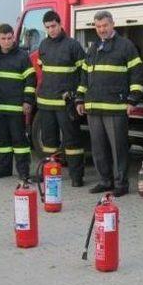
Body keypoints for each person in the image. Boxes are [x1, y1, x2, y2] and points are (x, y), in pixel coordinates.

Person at [76, 10, 143, 197]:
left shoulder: (125, 46)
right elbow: (84, 75)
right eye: (98, 27)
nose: (102, 30)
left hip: (116, 108)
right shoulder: (93, 47)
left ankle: (121, 184)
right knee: (99, 149)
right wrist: (80, 98)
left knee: (118, 149)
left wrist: (133, 99)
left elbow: (137, 74)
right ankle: (105, 181)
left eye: (105, 25)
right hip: (94, 107)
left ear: (113, 24)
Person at [37, 10, 86, 187]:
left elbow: (84, 73)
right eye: (48, 27)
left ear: (60, 24)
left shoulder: (73, 46)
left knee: (72, 140)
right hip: (46, 103)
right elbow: (44, 72)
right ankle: (50, 173)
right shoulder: (43, 45)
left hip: (66, 103)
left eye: (53, 26)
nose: (51, 30)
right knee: (49, 142)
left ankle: (76, 176)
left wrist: (78, 96)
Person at [0, 24, 36, 179]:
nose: (7, 41)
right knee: (1, 141)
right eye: (3, 38)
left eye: (9, 38)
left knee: (19, 141)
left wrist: (28, 101)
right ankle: (3, 169)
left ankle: (24, 172)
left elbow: (30, 80)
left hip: (16, 108)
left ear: (14, 38)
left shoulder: (22, 56)